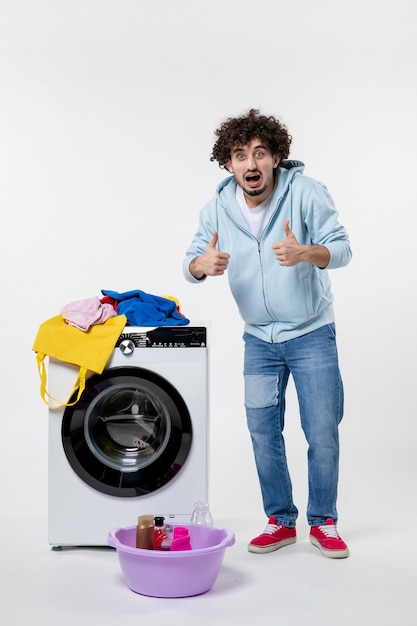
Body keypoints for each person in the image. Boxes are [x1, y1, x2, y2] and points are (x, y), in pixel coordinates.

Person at [183, 109, 352, 559]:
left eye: (260, 153)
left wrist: (306, 253)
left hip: (311, 332)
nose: (250, 164)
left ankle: (325, 522)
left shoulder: (307, 193)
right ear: (229, 164)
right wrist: (202, 266)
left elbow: (342, 248)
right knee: (262, 430)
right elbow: (192, 261)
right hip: (258, 340)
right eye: (240, 155)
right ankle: (280, 519)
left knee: (321, 430)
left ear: (276, 157)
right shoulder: (216, 208)